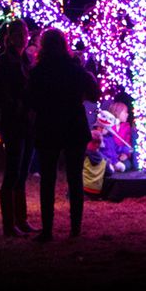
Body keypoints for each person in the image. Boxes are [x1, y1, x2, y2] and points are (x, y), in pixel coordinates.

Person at [27, 28, 100, 241]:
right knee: (75, 179)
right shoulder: (75, 69)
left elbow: (30, 99)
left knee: (47, 180)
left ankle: (48, 230)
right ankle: (75, 228)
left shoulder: (38, 71)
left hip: (48, 126)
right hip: (73, 126)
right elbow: (94, 94)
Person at [0, 20, 35, 236]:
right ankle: (9, 224)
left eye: (26, 32)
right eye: (20, 33)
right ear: (12, 36)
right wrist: (17, 105)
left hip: (27, 121)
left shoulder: (26, 59)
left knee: (22, 171)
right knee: (12, 170)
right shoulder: (4, 61)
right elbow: (1, 92)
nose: (25, 37)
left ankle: (21, 218)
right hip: (14, 121)